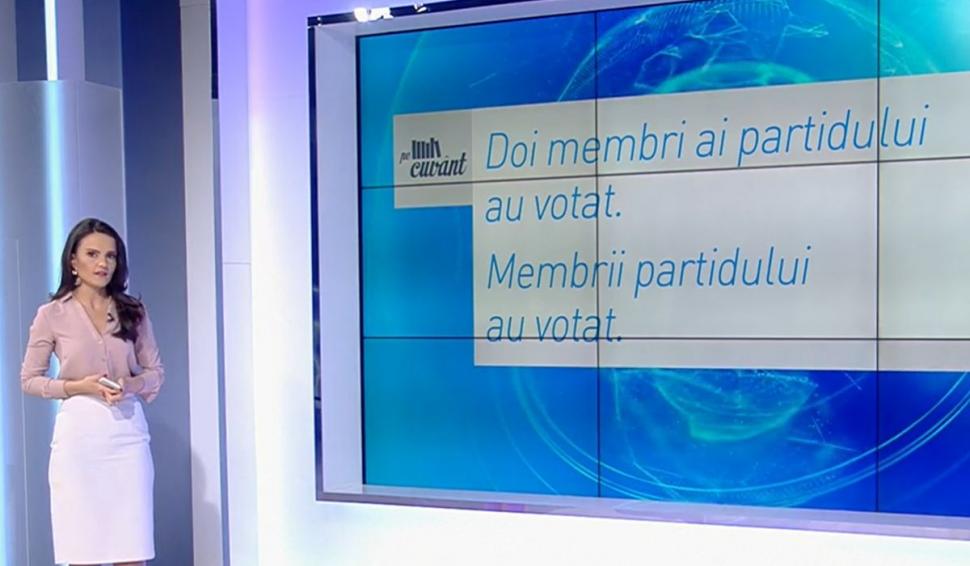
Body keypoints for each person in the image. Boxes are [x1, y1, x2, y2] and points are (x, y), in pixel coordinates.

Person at [20, 218, 164, 566]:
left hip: (127, 435)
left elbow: (155, 373)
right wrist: (77, 387)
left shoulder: (133, 312)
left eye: (110, 256)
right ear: (73, 261)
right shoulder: (51, 314)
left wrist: (131, 384)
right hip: (79, 438)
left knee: (132, 549)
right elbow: (30, 379)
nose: (103, 264)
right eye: (93, 254)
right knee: (82, 550)